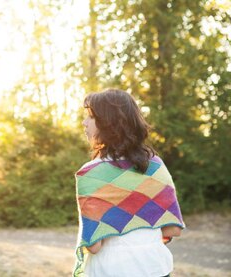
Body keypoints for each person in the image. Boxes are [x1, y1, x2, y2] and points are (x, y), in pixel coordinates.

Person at [73, 88, 185, 277]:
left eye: (90, 117)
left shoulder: (92, 174)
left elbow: (93, 245)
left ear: (108, 123)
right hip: (156, 267)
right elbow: (172, 228)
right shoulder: (156, 166)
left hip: (111, 270)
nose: (84, 123)